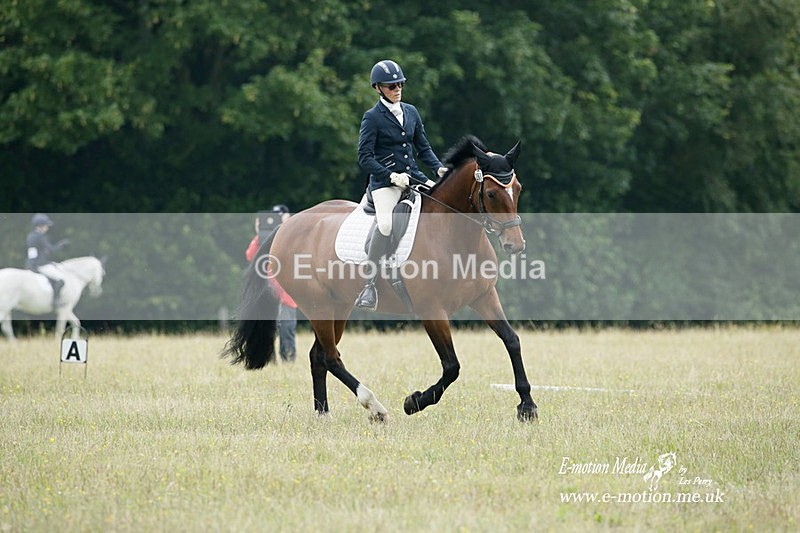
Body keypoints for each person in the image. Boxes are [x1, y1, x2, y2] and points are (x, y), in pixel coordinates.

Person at [355, 59, 448, 310]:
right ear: (378, 88)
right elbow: (364, 157)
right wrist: (390, 176)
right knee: (385, 225)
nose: (397, 89)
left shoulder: (411, 112)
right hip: (385, 185)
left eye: (400, 84)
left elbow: (423, 147)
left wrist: (438, 167)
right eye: (391, 85)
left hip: (414, 178)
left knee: (443, 206)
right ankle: (370, 284)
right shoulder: (372, 117)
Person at [245, 205, 297, 362]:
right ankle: (270, 363)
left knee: (287, 330)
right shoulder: (264, 239)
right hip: (267, 293)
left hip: (287, 294)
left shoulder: (293, 237)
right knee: (267, 331)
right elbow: (250, 256)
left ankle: (289, 362)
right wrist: (259, 234)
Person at [25, 213, 70, 308]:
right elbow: (51, 249)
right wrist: (61, 244)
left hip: (31, 263)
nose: (47, 228)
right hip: (40, 264)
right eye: (46, 226)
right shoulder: (40, 237)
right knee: (61, 279)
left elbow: (35, 252)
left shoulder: (30, 235)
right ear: (41, 226)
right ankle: (55, 301)